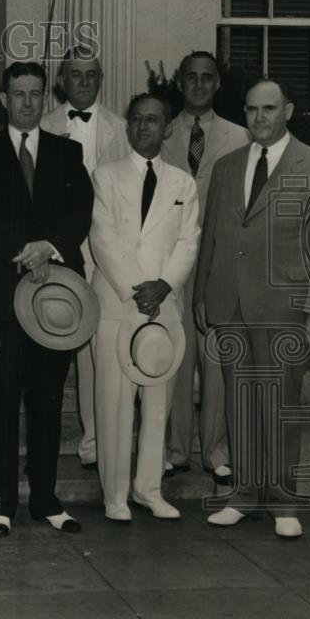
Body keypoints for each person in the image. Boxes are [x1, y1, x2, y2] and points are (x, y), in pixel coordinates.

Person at [195, 78, 310, 540]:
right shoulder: (228, 165)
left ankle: (284, 501)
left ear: (288, 110)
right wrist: (201, 295)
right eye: (252, 109)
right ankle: (244, 495)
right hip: (229, 302)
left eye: (269, 108)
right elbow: (212, 233)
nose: (259, 117)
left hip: (284, 306)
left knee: (280, 406)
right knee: (240, 402)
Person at [0, 61, 93, 536]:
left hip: (56, 297)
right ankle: (0, 504)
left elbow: (81, 212)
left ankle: (46, 499)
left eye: (36, 94)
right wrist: (26, 252)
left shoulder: (68, 151)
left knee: (47, 401)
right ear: (3, 99)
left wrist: (50, 249)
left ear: (45, 98)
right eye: (18, 94)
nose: (27, 102)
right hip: (0, 296)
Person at [89, 93, 200, 521]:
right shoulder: (104, 176)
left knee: (158, 402)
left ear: (167, 126)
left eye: (152, 120)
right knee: (114, 404)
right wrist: (139, 289)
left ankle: (149, 489)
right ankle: (115, 495)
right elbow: (103, 238)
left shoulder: (182, 183)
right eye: (136, 119)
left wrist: (165, 285)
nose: (143, 127)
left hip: (163, 308)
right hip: (120, 303)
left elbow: (188, 241)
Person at [162, 51, 250, 485]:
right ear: (179, 83)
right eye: (190, 77)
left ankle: (216, 451)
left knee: (215, 359)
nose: (198, 85)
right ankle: (176, 449)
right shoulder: (159, 133)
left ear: (217, 84)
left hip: (218, 261)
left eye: (206, 78)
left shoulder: (239, 136)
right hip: (171, 260)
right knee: (176, 356)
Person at [41, 47, 129, 469]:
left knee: (101, 348)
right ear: (62, 80)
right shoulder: (43, 126)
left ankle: (97, 438)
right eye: (75, 75)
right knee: (62, 342)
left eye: (91, 74)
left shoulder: (123, 129)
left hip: (108, 251)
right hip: (62, 248)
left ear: (101, 78)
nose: (84, 82)